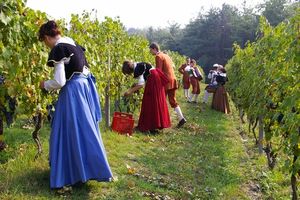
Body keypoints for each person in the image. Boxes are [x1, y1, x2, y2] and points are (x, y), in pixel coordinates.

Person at [38, 20, 113, 189]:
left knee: (67, 131)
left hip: (73, 91)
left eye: (44, 41)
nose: (45, 45)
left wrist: (44, 85)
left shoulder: (59, 48)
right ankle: (83, 172)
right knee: (84, 130)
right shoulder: (73, 43)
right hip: (85, 88)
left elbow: (59, 81)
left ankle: (69, 174)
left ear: (47, 37)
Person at [122, 61, 171, 133]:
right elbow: (142, 78)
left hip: (153, 81)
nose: (132, 74)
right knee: (154, 102)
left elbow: (141, 84)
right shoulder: (139, 65)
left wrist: (129, 91)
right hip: (154, 79)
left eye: (130, 72)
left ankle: (153, 126)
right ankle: (155, 125)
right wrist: (134, 86)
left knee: (151, 103)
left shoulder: (138, 68)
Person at [149, 43, 186, 128]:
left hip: (166, 82)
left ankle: (161, 122)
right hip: (173, 80)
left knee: (161, 100)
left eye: (150, 50)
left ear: (154, 49)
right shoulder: (166, 55)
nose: (150, 52)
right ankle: (181, 118)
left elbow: (159, 71)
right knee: (173, 100)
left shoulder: (158, 57)